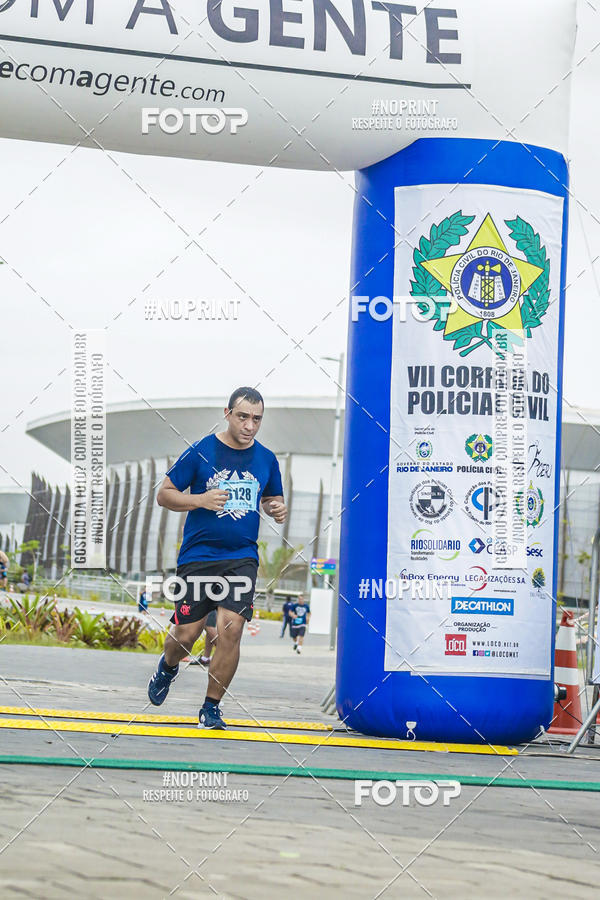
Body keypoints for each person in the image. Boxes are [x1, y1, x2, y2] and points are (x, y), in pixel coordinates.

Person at [147, 387, 287, 728]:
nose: (250, 426)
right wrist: (200, 500)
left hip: (241, 557)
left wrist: (276, 508)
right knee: (185, 635)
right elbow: (164, 494)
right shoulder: (202, 451)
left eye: (257, 419)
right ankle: (167, 667)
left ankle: (211, 706)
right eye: (243, 417)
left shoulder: (267, 459)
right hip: (198, 556)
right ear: (227, 414)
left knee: (231, 629)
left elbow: (272, 498)